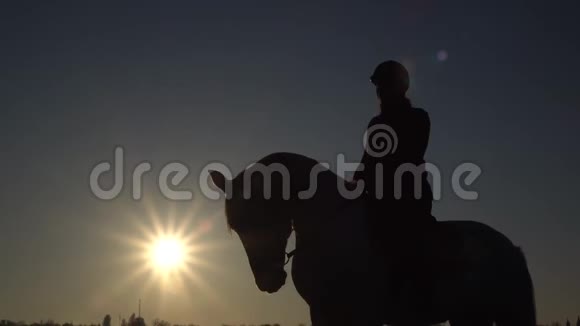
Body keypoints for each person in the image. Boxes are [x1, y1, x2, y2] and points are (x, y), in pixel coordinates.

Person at [353, 60, 435, 316]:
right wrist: (350, 186)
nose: (379, 92)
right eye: (378, 86)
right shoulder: (375, 123)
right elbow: (367, 162)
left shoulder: (418, 118)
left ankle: (415, 297)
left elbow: (409, 156)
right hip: (378, 197)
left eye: (383, 85)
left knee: (400, 238)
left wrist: (374, 178)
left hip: (409, 197)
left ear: (399, 87)